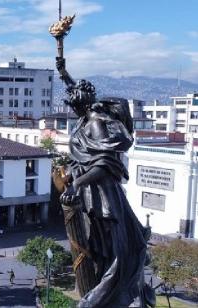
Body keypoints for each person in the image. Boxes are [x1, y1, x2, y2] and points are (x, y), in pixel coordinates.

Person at [57, 56, 154, 308]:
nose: (70, 108)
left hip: (102, 196)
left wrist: (77, 184)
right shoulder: (84, 119)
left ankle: (98, 300)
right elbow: (76, 90)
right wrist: (63, 71)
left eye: (72, 103)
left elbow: (104, 163)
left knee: (116, 254)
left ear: (79, 104)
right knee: (100, 250)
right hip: (91, 195)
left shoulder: (96, 123)